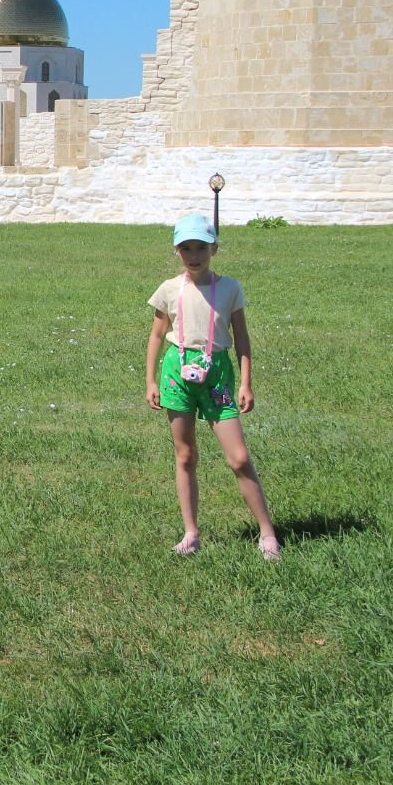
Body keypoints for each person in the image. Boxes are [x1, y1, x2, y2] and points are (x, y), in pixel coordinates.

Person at [145, 213, 280, 561]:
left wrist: (246, 381)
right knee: (185, 454)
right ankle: (191, 533)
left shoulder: (230, 288)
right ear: (176, 251)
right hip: (177, 371)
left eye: (201, 247)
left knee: (239, 458)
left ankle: (267, 533)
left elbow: (242, 338)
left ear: (214, 249)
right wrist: (150, 380)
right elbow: (158, 335)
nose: (194, 255)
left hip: (216, 373)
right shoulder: (169, 290)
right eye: (186, 247)